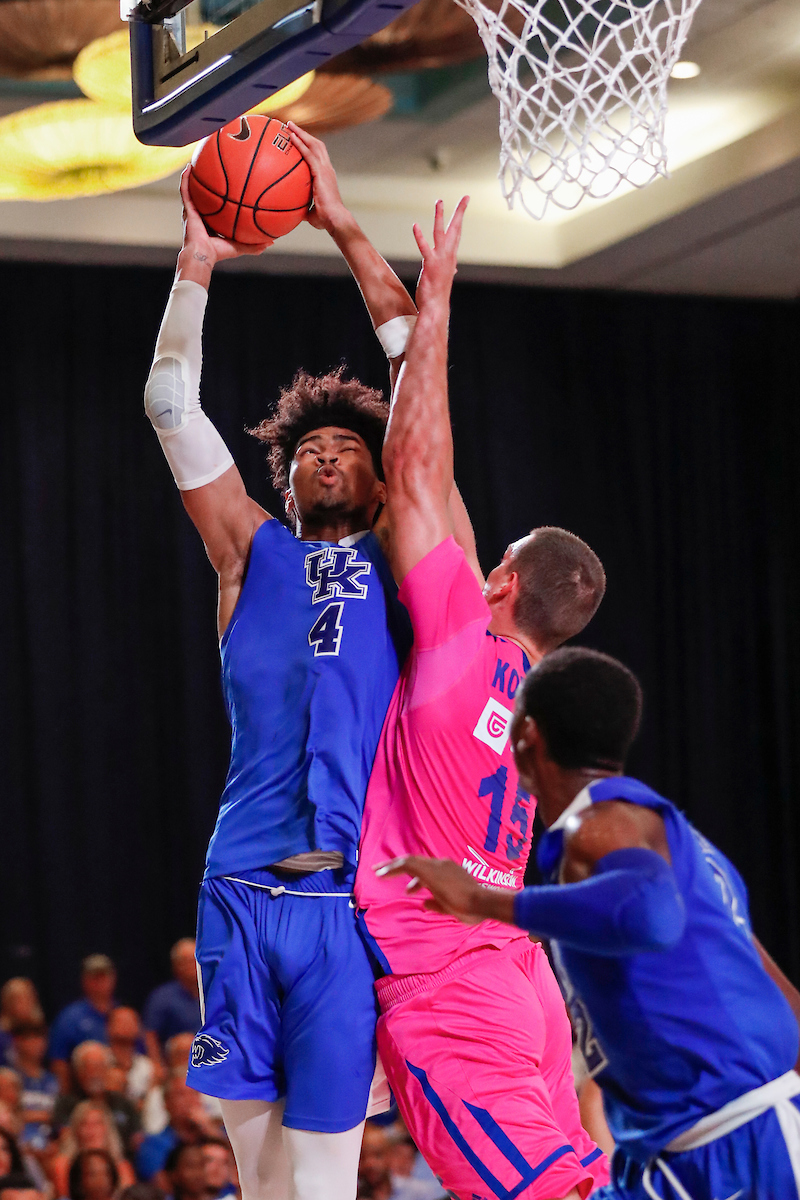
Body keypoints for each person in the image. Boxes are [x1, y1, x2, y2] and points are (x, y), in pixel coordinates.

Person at [142, 116, 482, 1200]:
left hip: (350, 904)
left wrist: (341, 224)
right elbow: (168, 404)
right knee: (261, 1184)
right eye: (308, 451)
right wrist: (196, 265)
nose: (327, 456)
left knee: (326, 1186)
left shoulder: (410, 555)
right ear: (283, 482)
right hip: (237, 890)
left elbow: (417, 385)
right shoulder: (250, 554)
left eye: (349, 447)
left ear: (386, 480)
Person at [350, 200, 608, 1200]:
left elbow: (416, 465)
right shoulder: (547, 708)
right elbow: (423, 442)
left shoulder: (461, 633)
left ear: (499, 578)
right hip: (519, 976)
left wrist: (443, 298)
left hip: (451, 978)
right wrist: (349, 238)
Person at [380, 646, 800, 1200]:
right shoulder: (678, 843)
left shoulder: (597, 825)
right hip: (681, 1151)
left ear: (526, 734)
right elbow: (784, 998)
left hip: (736, 1140)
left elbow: (650, 915)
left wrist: (482, 899)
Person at [52, 1044, 140, 1156]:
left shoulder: (124, 1104)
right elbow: (63, 1139)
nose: (95, 1074)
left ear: (108, 1070)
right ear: (79, 1072)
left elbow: (137, 1139)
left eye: (100, 1067)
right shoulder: (65, 1104)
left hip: (120, 1160)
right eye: (89, 1068)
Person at [49, 959, 117, 1093]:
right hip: (81, 1091)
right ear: (84, 981)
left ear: (113, 979)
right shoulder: (70, 1017)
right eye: (95, 978)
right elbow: (59, 1062)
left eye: (104, 977)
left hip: (119, 1089)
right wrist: (66, 1095)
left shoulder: (122, 1013)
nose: (100, 983)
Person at [135, 1078, 220, 1185]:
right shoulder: (153, 1144)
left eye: (194, 1094)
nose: (190, 1101)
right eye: (181, 1095)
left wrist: (211, 1130)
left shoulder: (215, 1134)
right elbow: (161, 1185)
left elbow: (236, 1169)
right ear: (166, 1103)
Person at [49, 1101, 135, 1199]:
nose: (91, 1131)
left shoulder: (122, 1168)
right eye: (84, 1124)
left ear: (107, 1128)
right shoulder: (63, 1165)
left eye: (97, 1124)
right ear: (76, 1130)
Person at [141, 945, 200, 1071]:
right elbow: (150, 1035)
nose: (193, 965)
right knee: (185, 1044)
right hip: (176, 1064)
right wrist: (157, 1065)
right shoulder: (163, 997)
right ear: (176, 966)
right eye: (186, 961)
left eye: (195, 959)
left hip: (211, 1059)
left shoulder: (215, 993)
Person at [8, 1022, 59, 1151]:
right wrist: (42, 1116)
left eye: (40, 1038)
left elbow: (59, 1118)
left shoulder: (52, 1080)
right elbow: (6, 1115)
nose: (37, 1044)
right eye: (31, 1038)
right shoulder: (9, 1078)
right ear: (18, 1042)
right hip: (18, 1145)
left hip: (48, 1146)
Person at [107, 1012, 153, 1108]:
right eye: (121, 1021)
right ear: (108, 1027)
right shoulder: (101, 1060)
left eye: (130, 1022)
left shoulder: (147, 1066)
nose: (125, 1025)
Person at [0, 985, 44, 1069]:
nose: (25, 1004)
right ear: (7, 1003)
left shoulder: (39, 1029)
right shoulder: (2, 1035)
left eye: (28, 999)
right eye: (19, 1000)